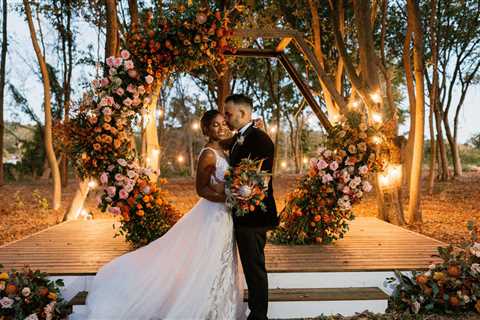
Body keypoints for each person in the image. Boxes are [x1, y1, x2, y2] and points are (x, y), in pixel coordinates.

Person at [80, 110, 245, 320]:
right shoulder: (208, 154)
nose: (221, 127)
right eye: (215, 125)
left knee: (222, 259)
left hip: (225, 216)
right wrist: (229, 199)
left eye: (223, 123)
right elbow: (202, 189)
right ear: (206, 130)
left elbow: (239, 141)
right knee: (208, 258)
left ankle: (220, 306)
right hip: (214, 214)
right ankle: (201, 306)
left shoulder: (224, 149)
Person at [224, 94, 279, 320]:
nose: (226, 118)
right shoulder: (240, 138)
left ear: (243, 114)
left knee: (254, 268)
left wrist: (226, 188)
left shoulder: (260, 140)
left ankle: (259, 315)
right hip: (241, 215)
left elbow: (257, 182)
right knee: (249, 265)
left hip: (254, 216)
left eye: (229, 113)